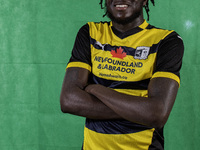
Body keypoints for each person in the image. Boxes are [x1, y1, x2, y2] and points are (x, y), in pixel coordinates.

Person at [60, 0, 184, 149]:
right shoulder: (90, 32)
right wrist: (140, 110)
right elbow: (68, 101)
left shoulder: (166, 40)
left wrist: (95, 89)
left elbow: (157, 114)